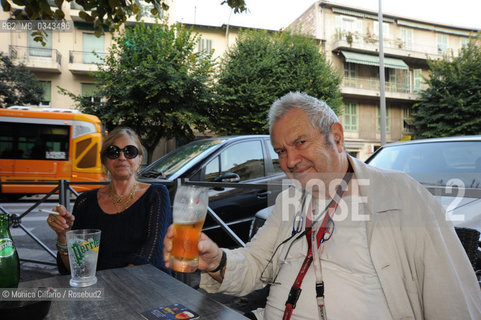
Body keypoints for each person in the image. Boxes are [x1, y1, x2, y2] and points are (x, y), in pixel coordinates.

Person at [164, 92, 481, 319]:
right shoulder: (290, 200)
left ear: (337, 137)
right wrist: (216, 260)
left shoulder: (401, 194)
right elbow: (257, 264)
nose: (289, 161)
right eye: (281, 151)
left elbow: (452, 299)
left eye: (300, 143)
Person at [48, 127, 172, 274]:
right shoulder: (85, 202)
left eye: (130, 151)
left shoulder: (156, 194)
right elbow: (77, 268)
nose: (121, 157)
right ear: (104, 160)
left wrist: (113, 287)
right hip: (99, 290)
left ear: (139, 159)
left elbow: (152, 253)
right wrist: (63, 235)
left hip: (147, 287)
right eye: (113, 152)